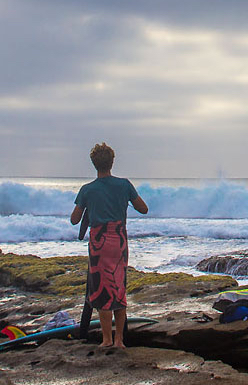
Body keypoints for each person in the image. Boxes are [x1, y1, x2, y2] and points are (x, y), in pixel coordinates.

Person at [70, 142, 148, 348]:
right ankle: (120, 340)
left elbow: (74, 220)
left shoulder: (87, 190)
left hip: (99, 244)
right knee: (118, 286)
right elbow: (143, 209)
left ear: (94, 163)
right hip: (119, 241)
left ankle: (107, 339)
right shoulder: (124, 185)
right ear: (112, 162)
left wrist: (89, 205)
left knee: (101, 289)